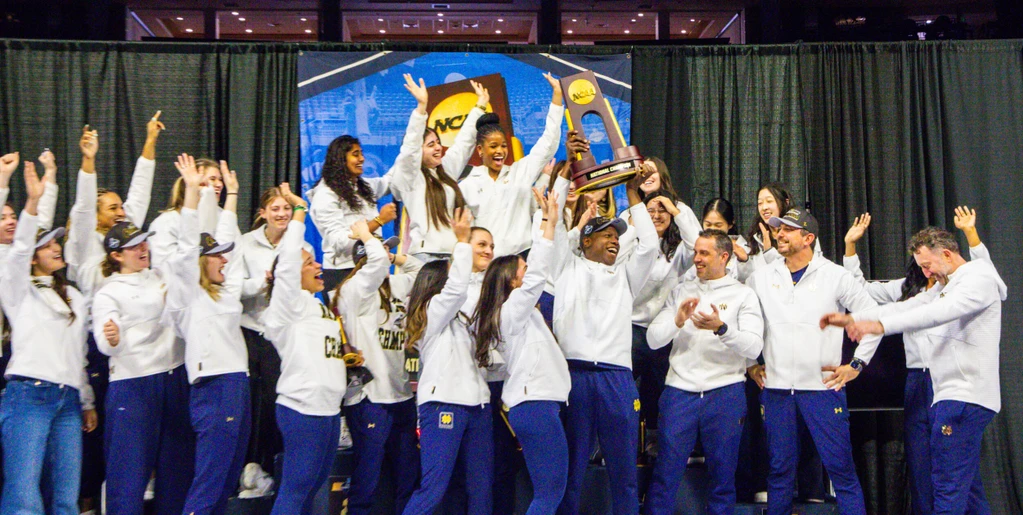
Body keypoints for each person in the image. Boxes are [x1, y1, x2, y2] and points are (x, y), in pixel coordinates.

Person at [825, 224, 1006, 515]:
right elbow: (910, 307)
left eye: (927, 265)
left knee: (947, 487)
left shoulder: (978, 278)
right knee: (967, 488)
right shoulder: (948, 286)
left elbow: (936, 314)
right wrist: (856, 318)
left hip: (964, 397)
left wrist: (879, 326)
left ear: (946, 254)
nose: (926, 273)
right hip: (950, 395)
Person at [745, 208, 881, 515]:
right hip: (777, 388)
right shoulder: (761, 277)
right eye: (778, 229)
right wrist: (750, 363)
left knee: (841, 470)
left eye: (787, 230)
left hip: (822, 389)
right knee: (779, 474)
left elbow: (874, 317)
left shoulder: (835, 276)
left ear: (808, 238)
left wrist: (856, 365)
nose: (778, 234)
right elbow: (746, 322)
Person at [550, 166, 658, 515]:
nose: (615, 240)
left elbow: (650, 244)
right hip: (575, 376)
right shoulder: (567, 267)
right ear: (585, 241)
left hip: (616, 379)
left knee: (624, 473)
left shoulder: (625, 276)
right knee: (570, 472)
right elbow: (555, 236)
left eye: (617, 236)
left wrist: (633, 196)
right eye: (606, 235)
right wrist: (567, 185)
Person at [642, 230, 764, 515]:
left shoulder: (743, 295)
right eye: (696, 252)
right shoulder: (681, 290)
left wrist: (722, 329)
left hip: (725, 392)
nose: (697, 259)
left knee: (722, 479)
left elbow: (754, 345)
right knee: (665, 474)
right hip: (679, 392)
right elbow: (652, 339)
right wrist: (677, 320)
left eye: (704, 253)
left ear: (725, 256)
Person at [0, 162, 98, 515]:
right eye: (46, 244)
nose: (56, 247)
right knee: (23, 494)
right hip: (29, 395)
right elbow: (17, 250)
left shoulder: (74, 296)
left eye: (56, 241)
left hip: (68, 400)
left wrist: (86, 400)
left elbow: (79, 355)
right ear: (31, 256)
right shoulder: (17, 288)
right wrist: (31, 203)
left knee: (66, 497)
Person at [470, 190, 568, 515]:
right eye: (522, 268)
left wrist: (547, 222)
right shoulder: (511, 310)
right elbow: (538, 272)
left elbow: (538, 272)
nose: (528, 272)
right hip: (534, 404)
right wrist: (548, 223)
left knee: (549, 491)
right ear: (513, 281)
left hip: (537, 404)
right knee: (549, 493)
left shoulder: (517, 312)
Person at [164, 154, 250, 515]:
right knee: (209, 483)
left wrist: (231, 196)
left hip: (236, 384)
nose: (225, 262)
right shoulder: (186, 294)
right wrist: (189, 195)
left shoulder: (223, 290)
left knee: (227, 481)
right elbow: (186, 248)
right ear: (202, 261)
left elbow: (226, 238)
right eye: (216, 257)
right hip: (214, 387)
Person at [92, 220, 194, 515]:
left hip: (174, 376)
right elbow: (105, 338)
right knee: (128, 476)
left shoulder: (160, 274)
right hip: (133, 385)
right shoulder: (108, 293)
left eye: (144, 242)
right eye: (134, 246)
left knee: (177, 472)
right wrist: (111, 338)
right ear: (116, 255)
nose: (143, 248)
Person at [261, 184, 348, 515]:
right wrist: (299, 212)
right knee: (296, 490)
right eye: (309, 262)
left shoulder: (318, 305)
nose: (317, 267)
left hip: (327, 411)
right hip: (303, 410)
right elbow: (286, 265)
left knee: (313, 489)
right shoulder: (289, 304)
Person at [401, 208, 493, 515]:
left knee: (479, 490)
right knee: (434, 489)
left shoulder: (461, 315)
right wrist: (462, 241)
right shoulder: (432, 312)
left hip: (478, 406)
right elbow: (456, 290)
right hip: (443, 404)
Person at [334, 233, 422, 515]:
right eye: (382, 249)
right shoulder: (354, 290)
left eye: (388, 249)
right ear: (366, 257)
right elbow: (374, 270)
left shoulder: (393, 284)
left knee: (409, 475)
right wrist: (366, 236)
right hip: (370, 398)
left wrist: (396, 257)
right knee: (367, 478)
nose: (386, 253)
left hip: (401, 394)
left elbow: (419, 272)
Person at [238, 186, 314, 472]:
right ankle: (246, 467)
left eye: (286, 209)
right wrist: (264, 282)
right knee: (248, 405)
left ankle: (269, 467)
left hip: (280, 340)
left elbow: (305, 291)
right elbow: (233, 288)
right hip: (248, 333)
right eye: (275, 209)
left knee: (273, 403)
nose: (282, 214)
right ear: (262, 214)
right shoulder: (245, 243)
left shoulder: (301, 249)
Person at [460, 73, 564, 258]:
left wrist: (557, 97)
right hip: (487, 265)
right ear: (480, 150)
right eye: (493, 146)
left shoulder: (519, 171)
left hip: (521, 259)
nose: (500, 151)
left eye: (503, 146)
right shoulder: (468, 183)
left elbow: (549, 143)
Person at [621, 191, 691, 457]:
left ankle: (657, 442)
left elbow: (696, 242)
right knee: (623, 392)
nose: (657, 215)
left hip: (664, 329)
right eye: (651, 210)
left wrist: (678, 210)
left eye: (663, 210)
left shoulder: (679, 249)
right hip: (629, 327)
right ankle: (613, 444)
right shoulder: (633, 244)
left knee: (662, 392)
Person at [390, 74, 487, 262]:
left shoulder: (445, 170)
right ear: (419, 151)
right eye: (430, 145)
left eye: (438, 142)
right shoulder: (409, 177)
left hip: (453, 254)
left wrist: (480, 106)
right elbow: (409, 149)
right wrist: (421, 109)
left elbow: (463, 142)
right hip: (426, 257)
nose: (438, 148)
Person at [66, 115, 164, 297]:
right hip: (100, 320)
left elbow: (140, 191)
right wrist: (88, 160)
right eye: (112, 208)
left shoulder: (125, 231)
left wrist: (151, 140)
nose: (121, 213)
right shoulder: (84, 242)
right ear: (95, 216)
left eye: (121, 207)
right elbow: (84, 205)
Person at [308, 134, 398, 289]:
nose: (362, 159)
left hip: (370, 266)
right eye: (355, 155)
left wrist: (413, 147)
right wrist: (379, 221)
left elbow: (391, 179)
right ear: (340, 159)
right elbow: (340, 242)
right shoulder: (325, 195)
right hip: (343, 273)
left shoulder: (362, 187)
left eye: (361, 154)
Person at [148, 157, 223, 269]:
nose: (219, 184)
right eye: (212, 179)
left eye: (220, 179)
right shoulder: (164, 223)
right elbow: (163, 267)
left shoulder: (221, 215)